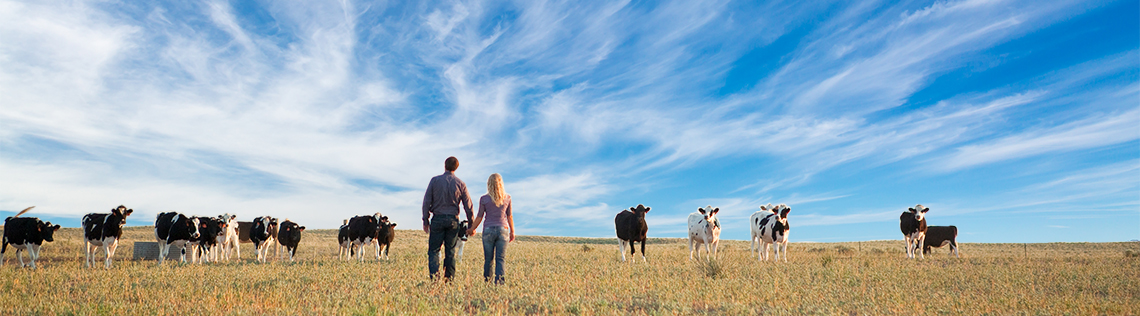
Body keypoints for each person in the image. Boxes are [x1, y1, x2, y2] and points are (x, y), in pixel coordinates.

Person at [422, 156, 474, 281]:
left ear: (444, 165)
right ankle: (448, 280)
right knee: (450, 251)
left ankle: (434, 279)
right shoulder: (461, 184)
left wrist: (425, 220)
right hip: (453, 221)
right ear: (456, 168)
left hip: (437, 219)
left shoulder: (434, 181)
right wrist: (471, 225)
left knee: (434, 251)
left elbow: (426, 202)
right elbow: (468, 206)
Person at [467, 173, 514, 284]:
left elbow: (479, 217)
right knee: (500, 259)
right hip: (503, 229)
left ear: (489, 184)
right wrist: (512, 231)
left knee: (488, 259)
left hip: (488, 230)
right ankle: (500, 283)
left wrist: (471, 229)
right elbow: (509, 216)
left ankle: (487, 283)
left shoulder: (484, 199)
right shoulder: (507, 198)